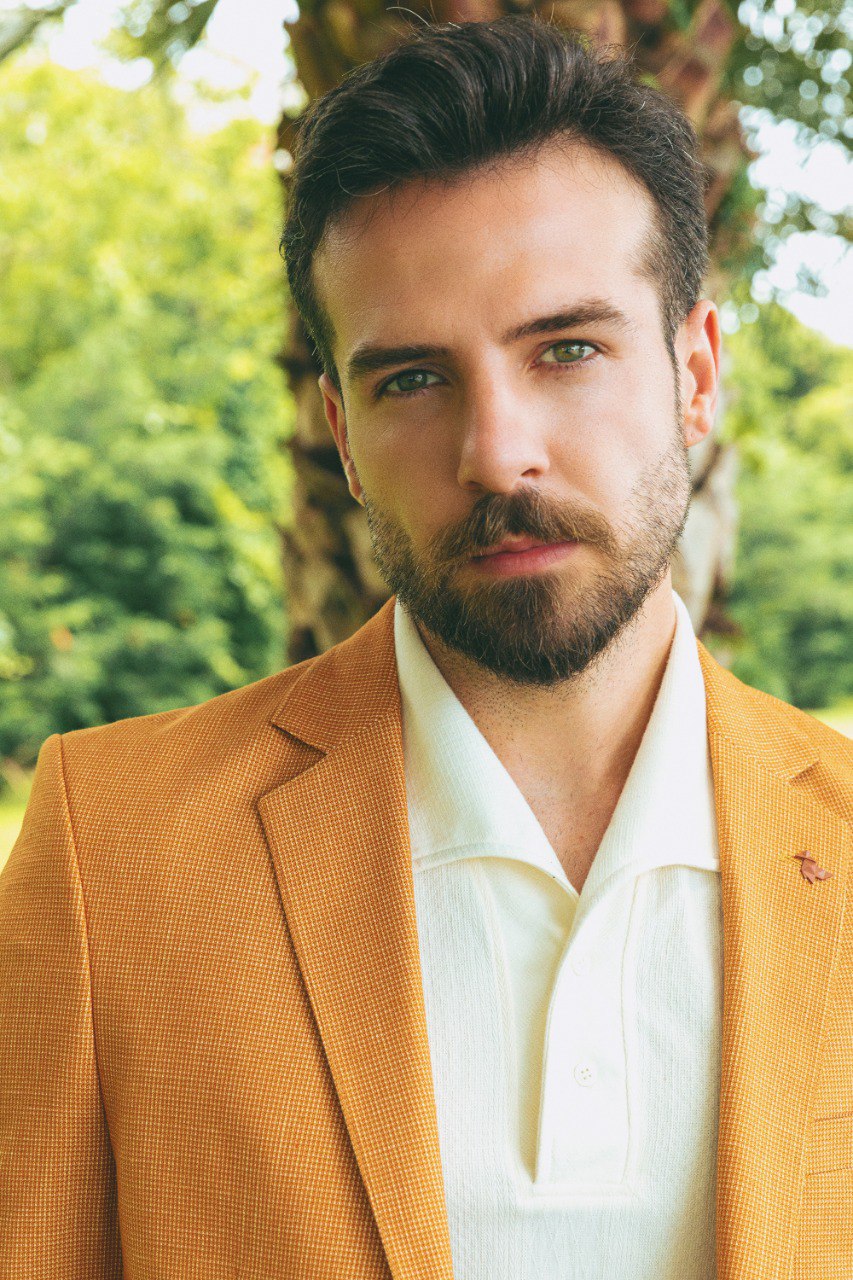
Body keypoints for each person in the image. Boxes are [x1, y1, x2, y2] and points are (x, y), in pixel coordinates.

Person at [1, 15, 850, 1280]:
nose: (496, 454)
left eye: (567, 349)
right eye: (410, 379)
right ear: (341, 432)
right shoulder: (111, 853)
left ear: (694, 372)